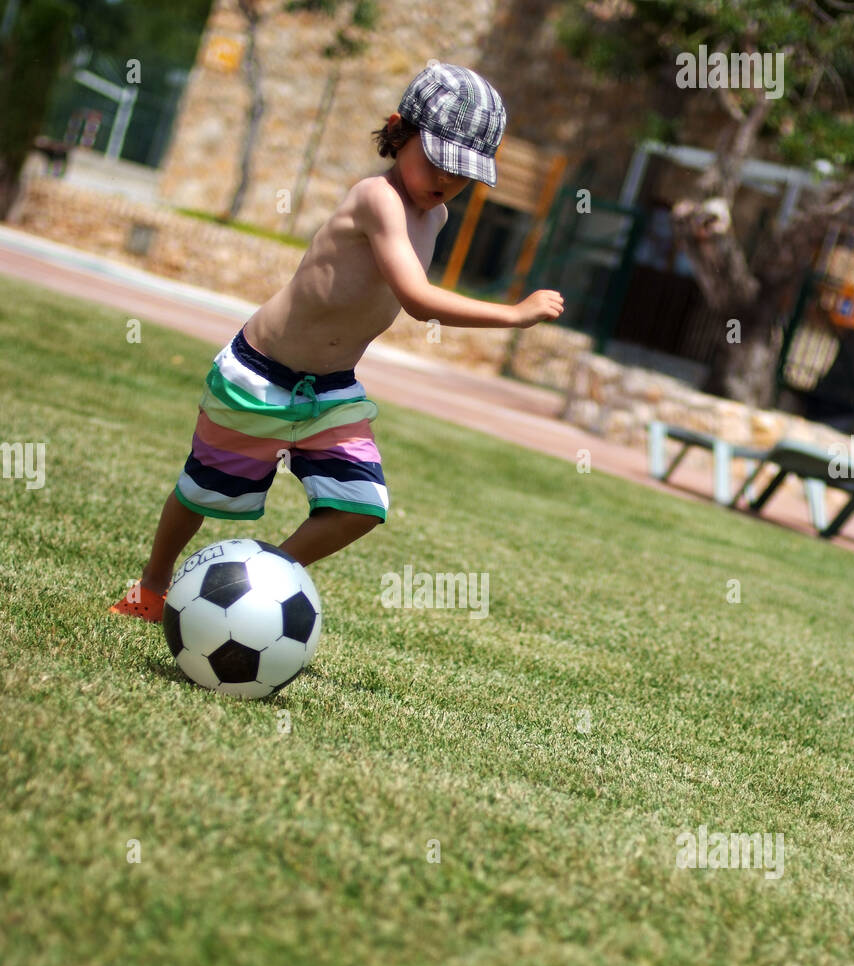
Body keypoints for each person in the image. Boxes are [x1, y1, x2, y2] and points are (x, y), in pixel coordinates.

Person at [110, 60, 564, 622]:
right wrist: (514, 315)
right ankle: (151, 587)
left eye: (462, 173)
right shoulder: (377, 198)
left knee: (361, 505)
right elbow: (419, 300)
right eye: (437, 161)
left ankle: (255, 581)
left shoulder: (437, 216)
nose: (445, 180)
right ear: (400, 131)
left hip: (330, 391)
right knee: (203, 491)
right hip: (260, 376)